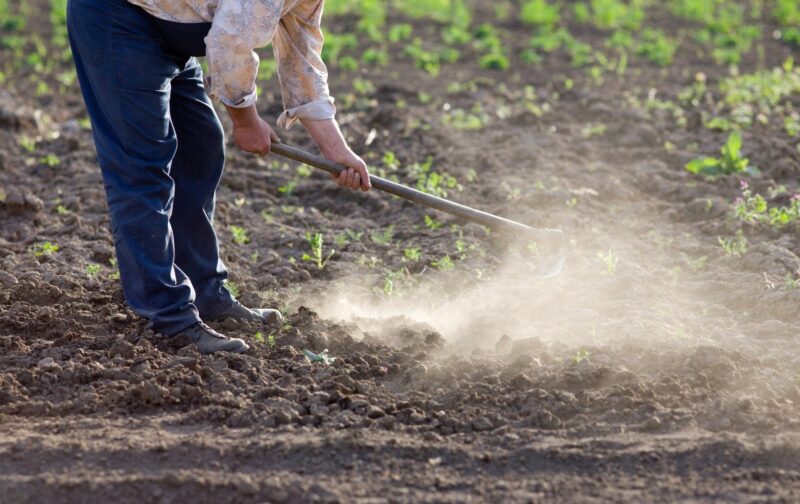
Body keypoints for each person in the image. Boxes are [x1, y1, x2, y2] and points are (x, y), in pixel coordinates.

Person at [66, 0, 371, 354]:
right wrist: (245, 120)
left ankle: (206, 292)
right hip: (119, 19)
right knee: (143, 168)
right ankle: (169, 316)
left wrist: (337, 151)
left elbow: (303, 63)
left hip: (170, 22)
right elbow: (228, 43)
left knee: (201, 148)